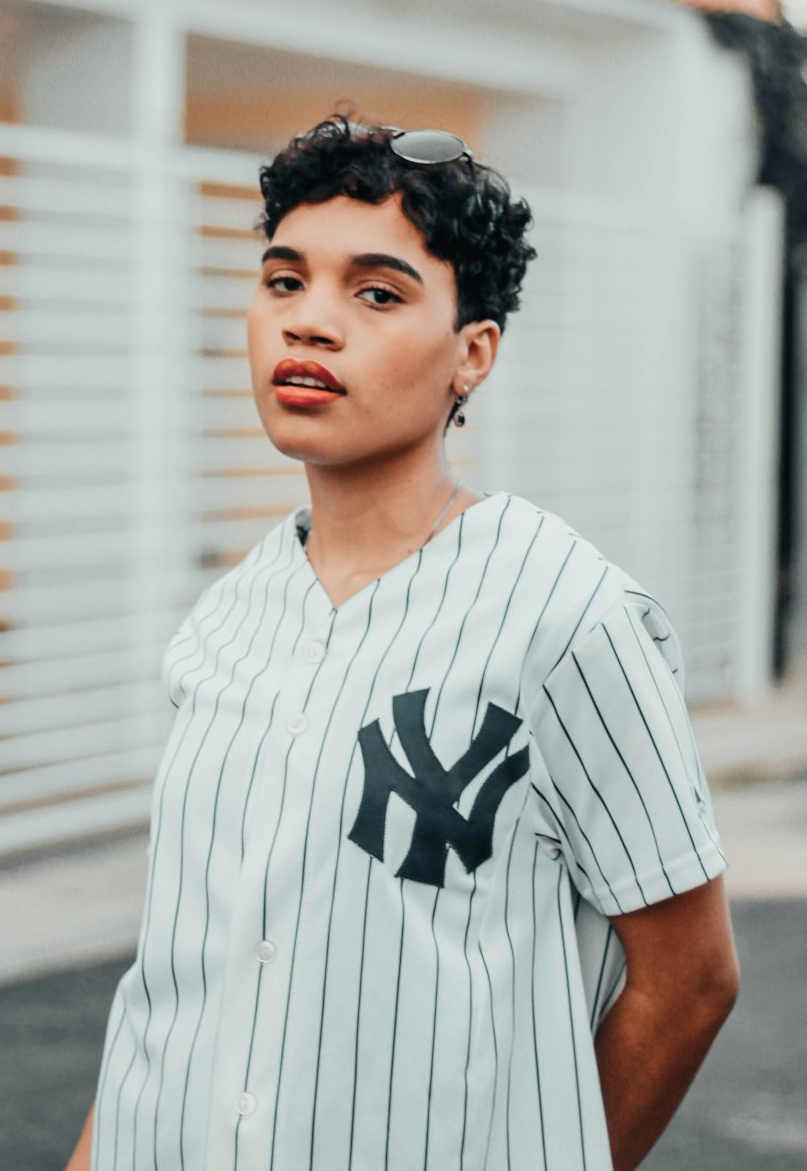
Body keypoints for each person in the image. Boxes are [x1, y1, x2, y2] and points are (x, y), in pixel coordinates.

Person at [66, 115, 739, 1171]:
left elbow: (690, 980)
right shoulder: (227, 619)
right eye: (284, 282)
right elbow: (178, 980)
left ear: (472, 354)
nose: (309, 324)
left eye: (375, 293)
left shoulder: (568, 614)